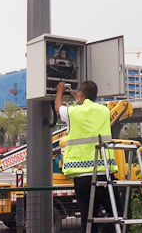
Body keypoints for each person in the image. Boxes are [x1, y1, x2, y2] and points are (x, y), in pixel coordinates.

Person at [55, 81, 122, 233]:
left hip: (82, 176)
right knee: (115, 213)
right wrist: (81, 99)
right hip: (104, 172)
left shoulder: (74, 112)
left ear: (80, 94)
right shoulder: (105, 111)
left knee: (88, 218)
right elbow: (89, 110)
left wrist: (59, 91)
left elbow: (58, 108)